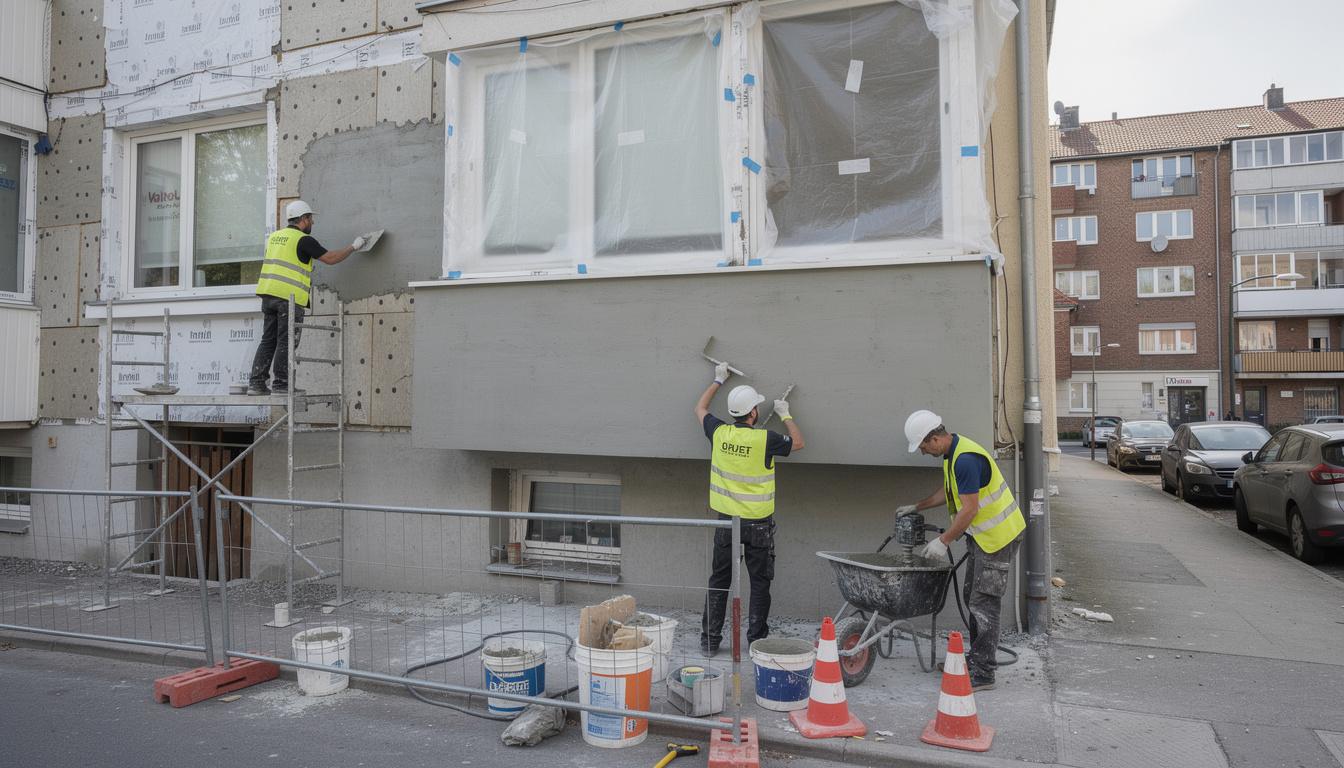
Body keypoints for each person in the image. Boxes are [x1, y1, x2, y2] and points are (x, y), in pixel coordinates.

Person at [894, 410, 1025, 692]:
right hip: (984, 538)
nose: (922, 452)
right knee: (973, 597)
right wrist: (916, 506)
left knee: (984, 603)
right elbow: (949, 492)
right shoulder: (953, 454)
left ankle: (984, 673)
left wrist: (943, 541)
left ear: (935, 438)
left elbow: (970, 509)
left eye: (923, 446)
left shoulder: (965, 460)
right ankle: (976, 660)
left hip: (999, 538)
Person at [694, 362, 804, 658]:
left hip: (726, 523)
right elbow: (799, 442)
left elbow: (700, 409)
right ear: (753, 413)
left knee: (719, 581)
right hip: (758, 525)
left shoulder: (719, 433)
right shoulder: (765, 439)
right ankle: (755, 643)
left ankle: (708, 641)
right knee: (759, 584)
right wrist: (785, 414)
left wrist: (718, 380)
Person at [248, 201, 364, 395]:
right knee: (287, 341)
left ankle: (256, 383)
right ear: (304, 219)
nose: (313, 223)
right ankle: (281, 385)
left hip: (268, 295)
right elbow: (330, 258)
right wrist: (353, 247)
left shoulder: (275, 237)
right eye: (311, 219)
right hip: (288, 299)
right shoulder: (303, 239)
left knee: (268, 340)